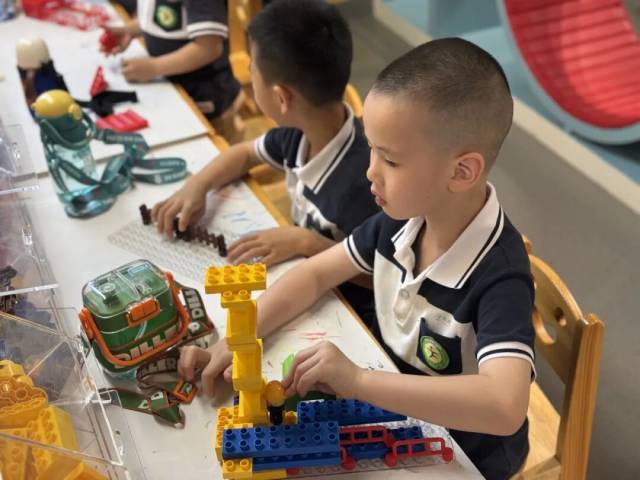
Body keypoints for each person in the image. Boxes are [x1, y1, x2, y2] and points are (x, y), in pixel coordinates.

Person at [180, 38, 535, 480]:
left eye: (390, 160)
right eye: (371, 149)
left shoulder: (500, 274)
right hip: (393, 412)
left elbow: (504, 406)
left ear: (461, 172)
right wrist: (236, 340)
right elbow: (314, 274)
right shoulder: (400, 222)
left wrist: (360, 381)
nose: (370, 171)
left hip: (465, 451)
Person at [101, 0, 242, 140]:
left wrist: (154, 67)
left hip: (205, 96)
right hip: (172, 87)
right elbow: (161, 15)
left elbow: (209, 48)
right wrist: (130, 30)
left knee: (212, 142)